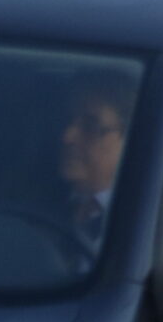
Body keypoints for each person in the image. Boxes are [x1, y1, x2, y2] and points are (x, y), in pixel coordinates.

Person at [53, 71, 136, 253]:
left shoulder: (141, 218)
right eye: (67, 120)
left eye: (90, 126)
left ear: (130, 138)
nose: (67, 137)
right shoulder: (32, 199)